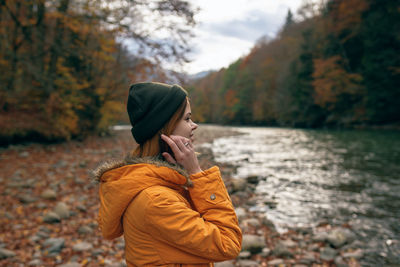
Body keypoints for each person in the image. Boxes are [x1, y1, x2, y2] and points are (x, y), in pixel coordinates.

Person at [92, 82, 242, 266]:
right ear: (166, 128)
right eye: (187, 119)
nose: (194, 125)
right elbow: (228, 243)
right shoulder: (156, 199)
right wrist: (197, 174)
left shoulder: (163, 180)